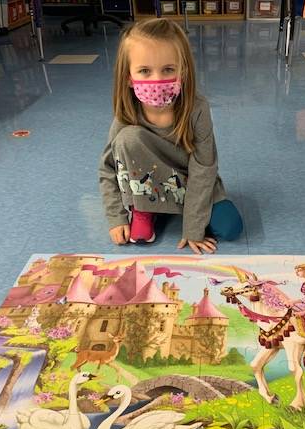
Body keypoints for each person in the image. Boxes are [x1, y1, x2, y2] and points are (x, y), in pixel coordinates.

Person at [98, 19, 243, 254]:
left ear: (182, 70)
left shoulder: (197, 108)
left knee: (230, 228)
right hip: (147, 188)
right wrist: (117, 217)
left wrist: (193, 226)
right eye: (144, 71)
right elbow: (108, 169)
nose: (156, 80)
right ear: (128, 76)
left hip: (189, 183)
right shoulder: (126, 114)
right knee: (127, 138)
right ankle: (145, 209)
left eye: (168, 69)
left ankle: (168, 210)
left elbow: (204, 167)